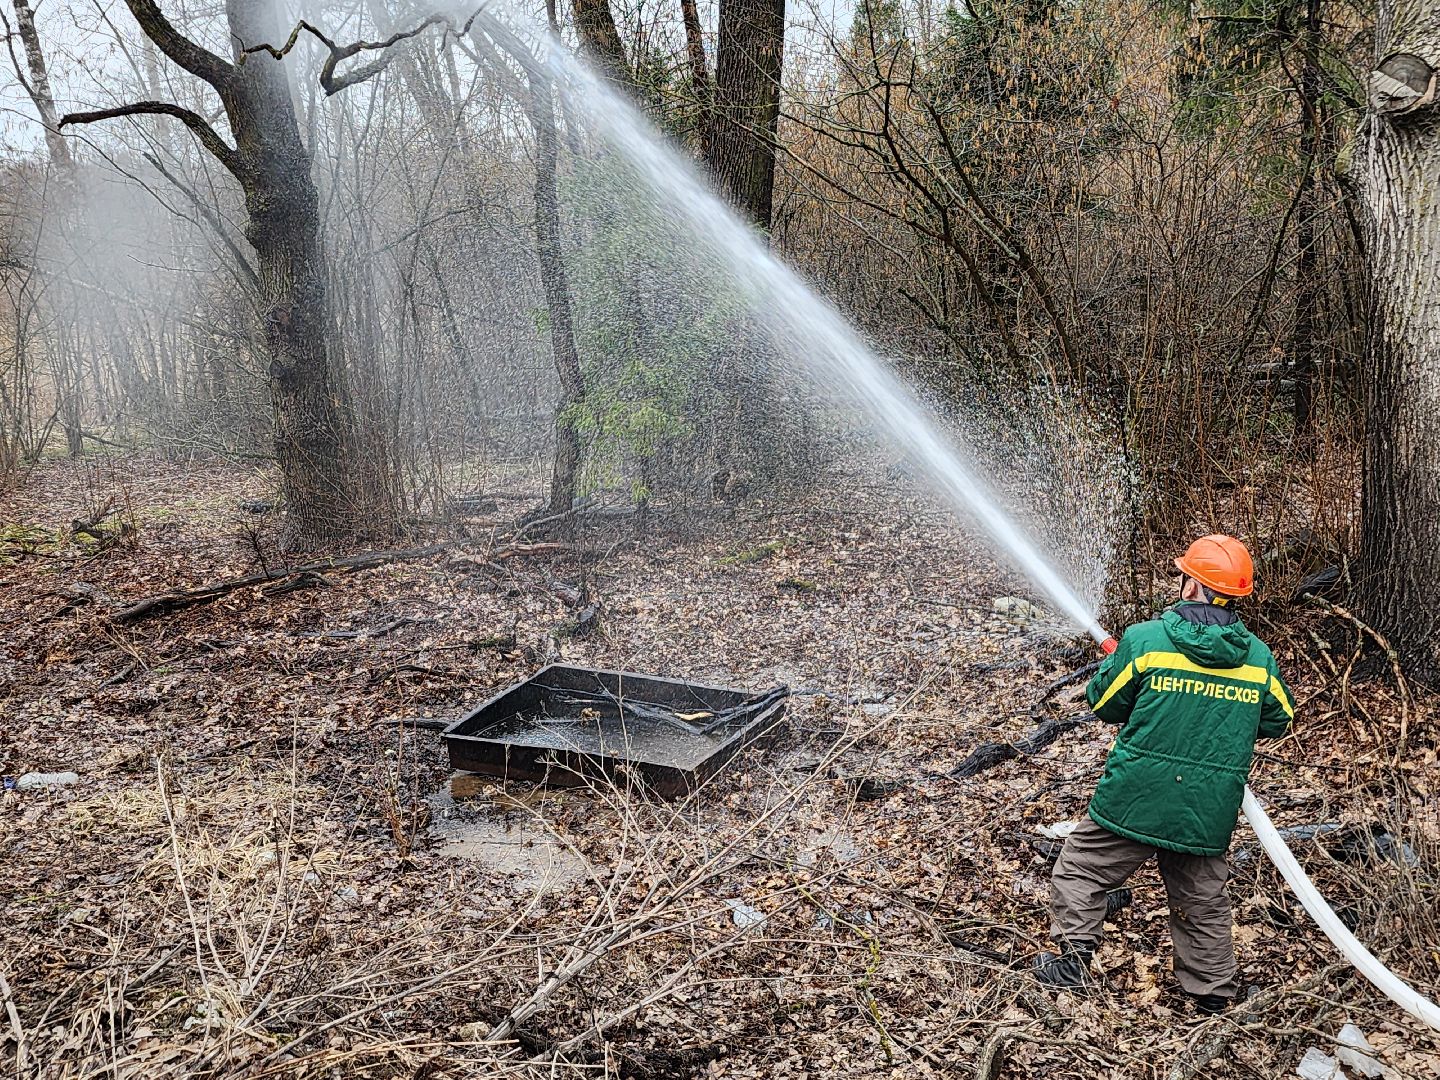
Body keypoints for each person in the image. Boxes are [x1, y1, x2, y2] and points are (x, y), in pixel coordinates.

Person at [1033, 534, 1294, 1014]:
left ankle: (1072, 962)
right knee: (1202, 898)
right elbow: (1279, 718)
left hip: (1136, 795)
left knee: (1082, 868)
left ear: (1192, 586)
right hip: (1207, 806)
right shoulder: (1258, 658)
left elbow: (1104, 702)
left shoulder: (1145, 640)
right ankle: (1213, 993)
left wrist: (1121, 668)